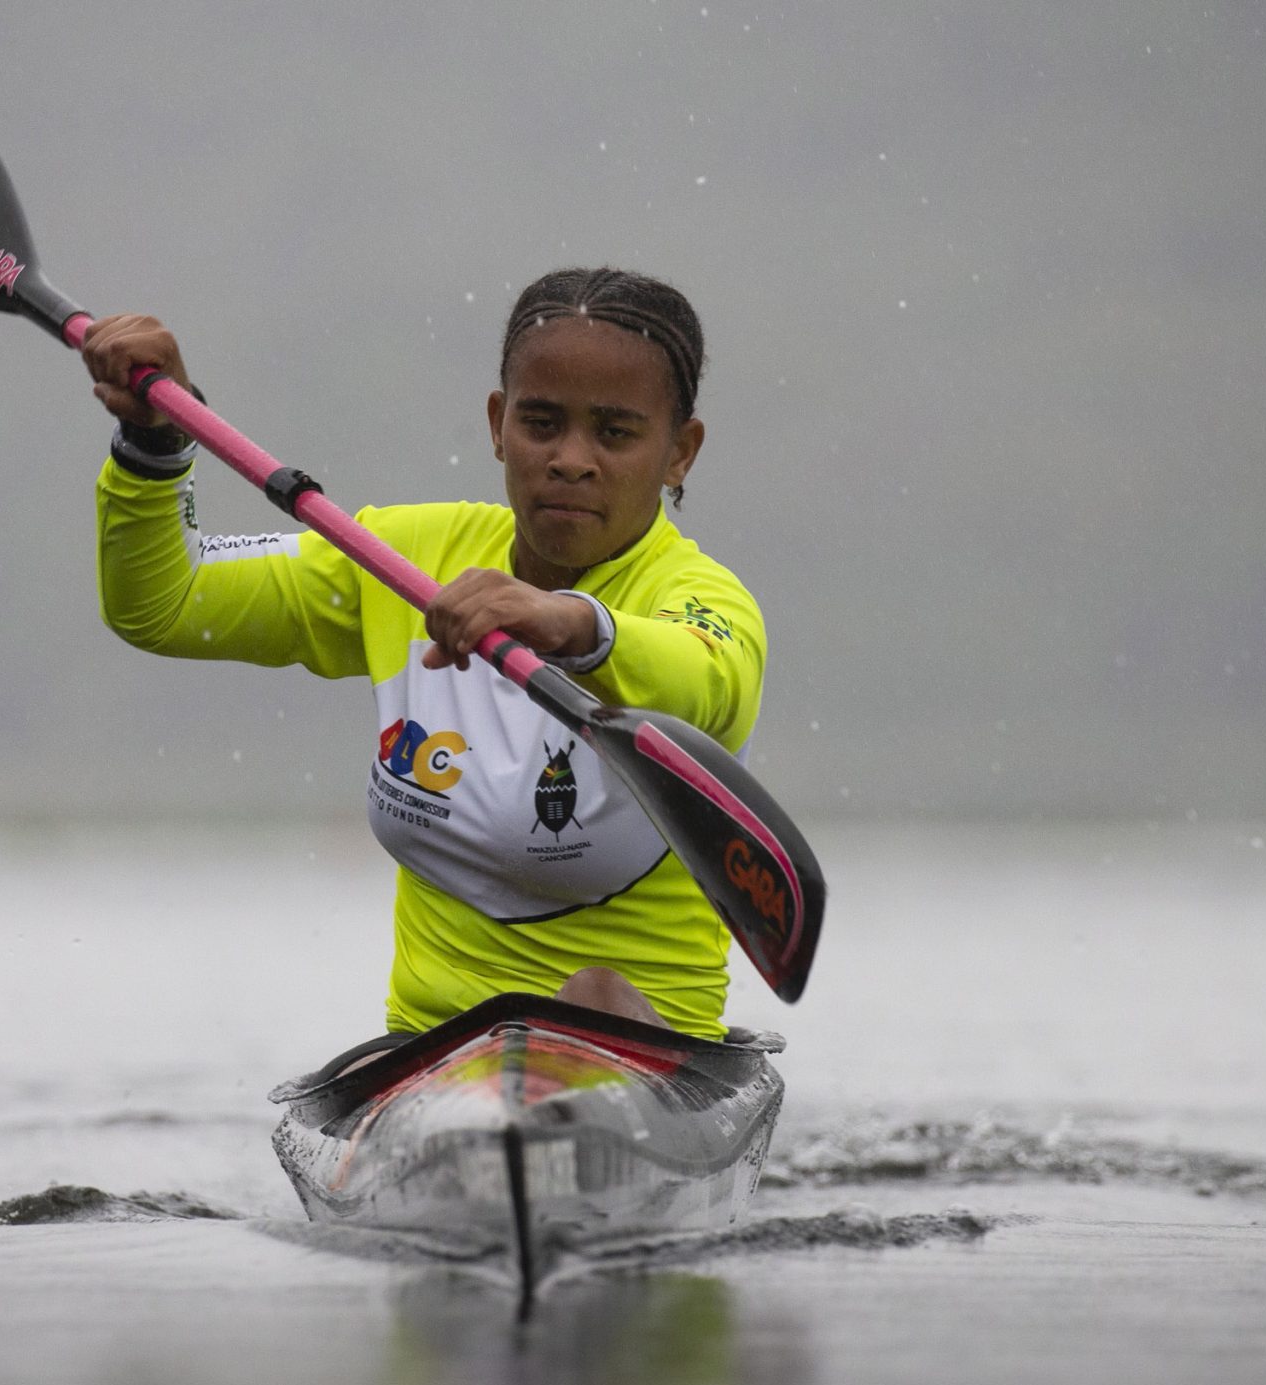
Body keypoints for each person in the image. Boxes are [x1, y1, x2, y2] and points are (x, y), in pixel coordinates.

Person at [80, 268, 766, 1041]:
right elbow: (165, 603)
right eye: (541, 423)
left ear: (681, 453)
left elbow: (702, 676)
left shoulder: (704, 599)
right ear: (498, 423)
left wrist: (571, 622)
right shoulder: (405, 559)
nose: (572, 458)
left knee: (596, 995)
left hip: (647, 1057)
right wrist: (154, 445)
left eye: (615, 433)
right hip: (432, 1060)